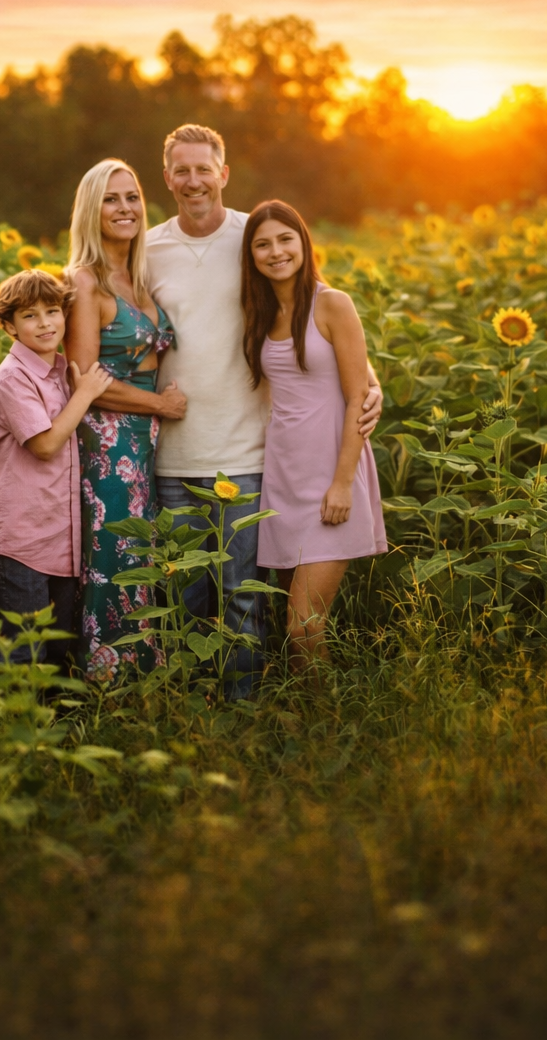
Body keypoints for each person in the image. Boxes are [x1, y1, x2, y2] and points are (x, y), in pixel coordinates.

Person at [146, 124, 383, 696]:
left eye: (205, 168)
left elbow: (336, 342)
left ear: (224, 174)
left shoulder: (252, 234)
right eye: (183, 169)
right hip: (203, 458)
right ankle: (195, 713)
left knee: (251, 606)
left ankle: (262, 719)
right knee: (187, 604)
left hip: (256, 458)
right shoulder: (148, 249)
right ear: (168, 176)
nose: (194, 180)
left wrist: (369, 384)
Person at [241, 200, 387, 671]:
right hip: (283, 478)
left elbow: (356, 396)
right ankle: (308, 725)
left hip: (332, 476)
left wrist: (343, 482)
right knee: (291, 622)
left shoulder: (332, 303)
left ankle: (330, 725)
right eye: (262, 244)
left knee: (304, 624)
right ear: (252, 256)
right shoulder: (260, 314)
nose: (275, 251)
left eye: (285, 238)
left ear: (303, 241)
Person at [64, 158, 184, 682]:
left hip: (145, 442)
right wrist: (160, 405)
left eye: (132, 197)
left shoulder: (136, 275)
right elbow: (83, 379)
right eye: (111, 199)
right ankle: (109, 681)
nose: (125, 208)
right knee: (114, 554)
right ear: (92, 210)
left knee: (143, 553)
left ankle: (147, 674)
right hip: (109, 444)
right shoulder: (86, 282)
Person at [0, 268, 112, 668]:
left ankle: (50, 727)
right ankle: (14, 728)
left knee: (56, 650)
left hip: (57, 537)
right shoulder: (13, 378)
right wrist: (84, 394)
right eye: (29, 316)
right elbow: (46, 444)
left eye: (52, 311)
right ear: (9, 326)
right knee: (23, 648)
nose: (45, 323)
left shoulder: (58, 370)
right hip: (20, 539)